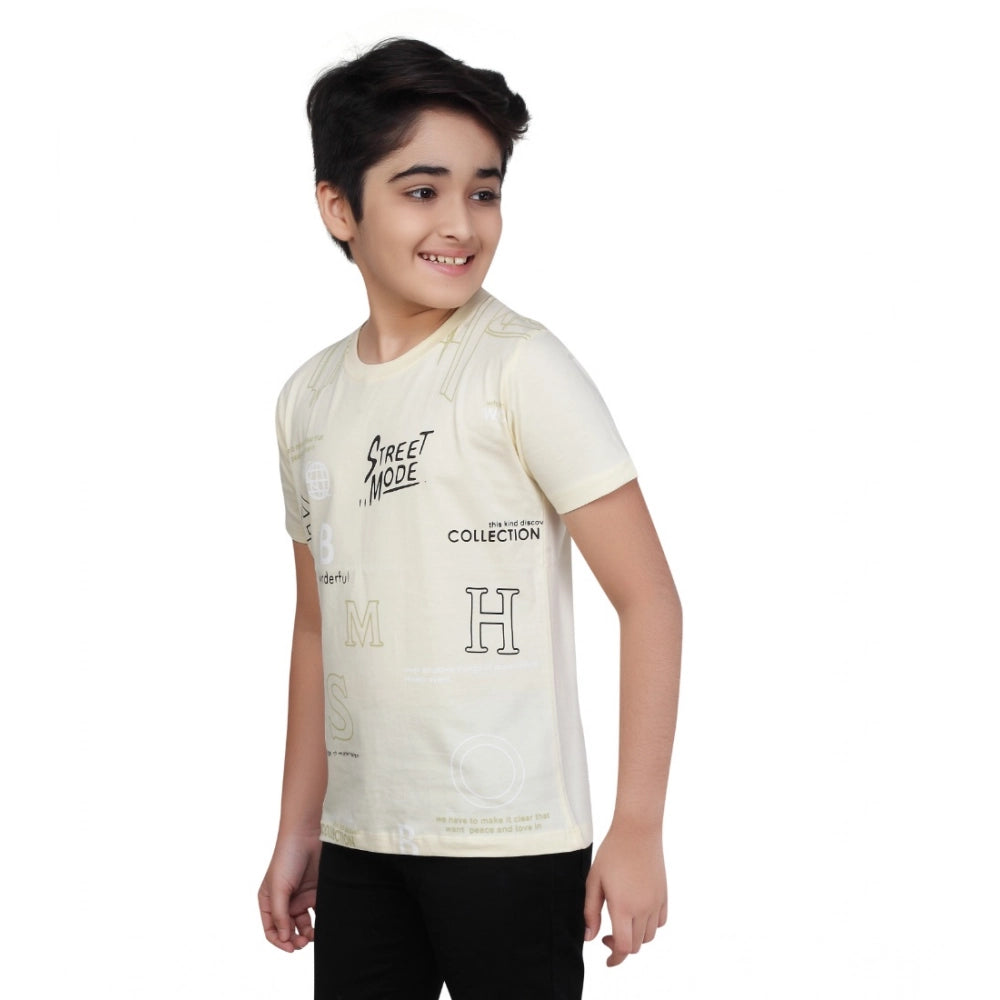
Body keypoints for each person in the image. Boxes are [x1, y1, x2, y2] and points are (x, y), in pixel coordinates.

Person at [258, 37, 682, 1000]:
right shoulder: (307, 401)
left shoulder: (520, 368)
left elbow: (649, 599)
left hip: (512, 842)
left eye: (484, 192)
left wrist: (638, 827)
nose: (461, 223)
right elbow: (318, 625)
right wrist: (299, 826)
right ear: (338, 207)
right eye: (422, 190)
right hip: (363, 839)